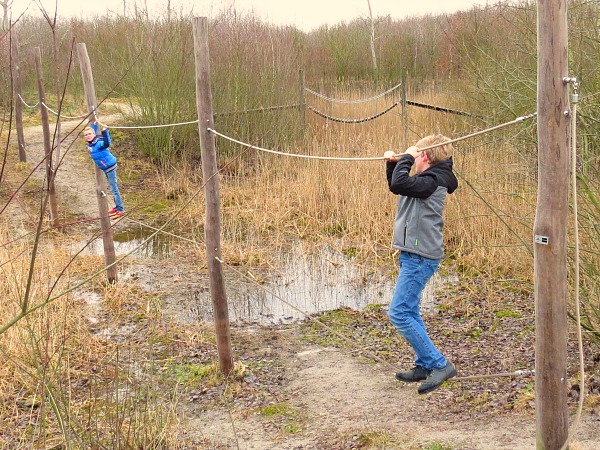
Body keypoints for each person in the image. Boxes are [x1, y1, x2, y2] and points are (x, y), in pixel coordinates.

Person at [383, 134, 459, 394]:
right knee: (410, 310)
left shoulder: (432, 181)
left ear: (424, 157)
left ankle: (439, 364)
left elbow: (403, 183)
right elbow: (398, 185)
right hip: (412, 254)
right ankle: (425, 364)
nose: (413, 160)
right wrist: (394, 164)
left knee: (399, 312)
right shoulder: (422, 182)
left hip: (420, 256)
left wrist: (406, 157)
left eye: (416, 156)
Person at [83, 121, 124, 219]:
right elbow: (94, 132)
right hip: (105, 167)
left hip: (110, 167)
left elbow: (107, 143)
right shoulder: (91, 143)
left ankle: (120, 209)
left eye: (89, 134)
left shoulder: (98, 143)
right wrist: (95, 125)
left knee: (114, 189)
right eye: (86, 135)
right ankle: (117, 206)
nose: (88, 136)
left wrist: (105, 131)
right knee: (112, 187)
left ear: (93, 135)